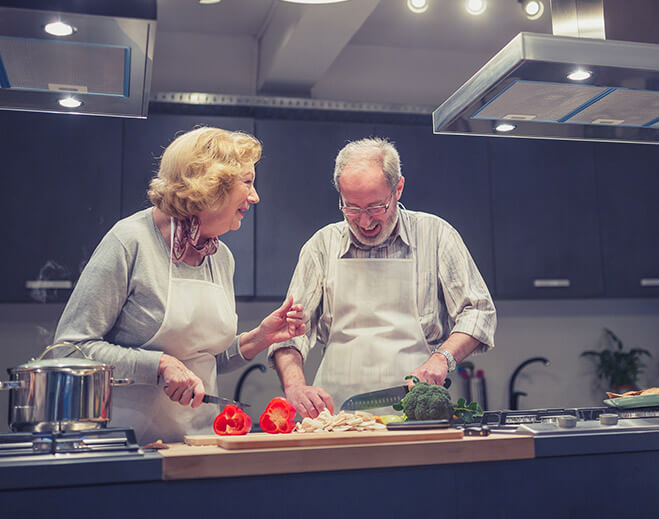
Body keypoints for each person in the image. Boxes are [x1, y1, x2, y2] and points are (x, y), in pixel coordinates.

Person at [54, 127, 306, 443]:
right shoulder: (129, 241)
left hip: (199, 444)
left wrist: (259, 337)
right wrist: (159, 365)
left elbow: (202, 359)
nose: (255, 197)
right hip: (128, 446)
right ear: (212, 184)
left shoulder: (220, 255)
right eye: (248, 182)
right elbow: (70, 348)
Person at [269, 137, 496, 418]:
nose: (364, 221)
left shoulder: (436, 235)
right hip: (337, 416)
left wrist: (441, 359)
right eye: (351, 207)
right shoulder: (321, 246)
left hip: (417, 415)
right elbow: (288, 334)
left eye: (376, 207)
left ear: (398, 188)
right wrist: (295, 387)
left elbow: (479, 311)